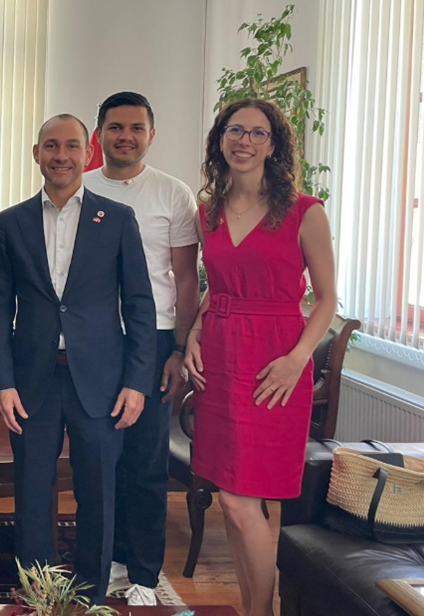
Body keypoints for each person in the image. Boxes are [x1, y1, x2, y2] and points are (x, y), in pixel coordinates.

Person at [0, 113, 156, 603]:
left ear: (89, 153)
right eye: (51, 146)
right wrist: (3, 381)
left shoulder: (117, 219)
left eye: (71, 146)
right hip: (31, 381)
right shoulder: (11, 222)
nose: (61, 155)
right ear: (36, 153)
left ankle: (90, 598)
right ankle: (40, 598)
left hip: (102, 382)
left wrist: (136, 381)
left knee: (98, 494)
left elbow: (139, 305)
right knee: (32, 493)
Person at [184, 99, 336, 616]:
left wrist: (298, 359)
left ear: (274, 145)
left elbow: (327, 299)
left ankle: (263, 612)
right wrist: (194, 332)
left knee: (241, 500)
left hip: (275, 362)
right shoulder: (208, 211)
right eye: (235, 131)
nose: (244, 141)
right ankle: (252, 608)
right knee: (230, 496)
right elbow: (217, 285)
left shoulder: (305, 211)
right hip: (220, 356)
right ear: (220, 139)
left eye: (257, 133)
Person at [82, 92, 199, 605]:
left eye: (135, 128)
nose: (124, 136)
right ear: (99, 135)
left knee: (146, 462)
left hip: (154, 338)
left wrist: (179, 349)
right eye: (115, 127)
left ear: (151, 135)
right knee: (99, 458)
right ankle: (109, 559)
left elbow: (186, 278)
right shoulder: (80, 185)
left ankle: (145, 574)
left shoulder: (173, 193)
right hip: (93, 338)